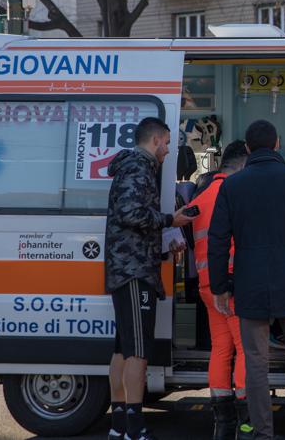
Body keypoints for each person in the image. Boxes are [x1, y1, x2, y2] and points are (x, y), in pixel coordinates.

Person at [208, 120, 285, 440]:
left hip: (251, 288)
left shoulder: (232, 186)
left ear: (248, 149)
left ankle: (263, 434)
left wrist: (220, 287)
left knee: (256, 365)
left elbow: (217, 239)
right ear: (277, 144)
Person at [105, 117, 196, 440]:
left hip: (129, 267)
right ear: (156, 140)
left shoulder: (132, 166)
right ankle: (134, 427)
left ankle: (118, 425)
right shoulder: (139, 168)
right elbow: (130, 214)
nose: (168, 150)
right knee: (138, 353)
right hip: (134, 271)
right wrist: (172, 219)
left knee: (123, 349)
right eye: (167, 143)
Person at [188, 140, 254, 440]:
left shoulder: (201, 194)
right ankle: (246, 423)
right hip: (233, 284)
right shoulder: (238, 192)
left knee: (221, 349)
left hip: (207, 285)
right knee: (245, 351)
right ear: (242, 164)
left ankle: (222, 424)